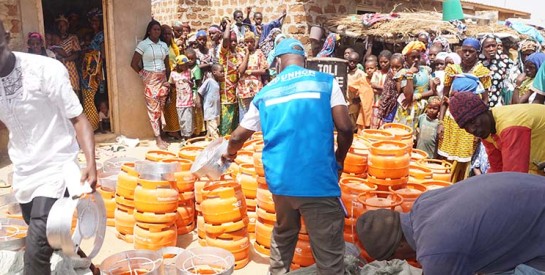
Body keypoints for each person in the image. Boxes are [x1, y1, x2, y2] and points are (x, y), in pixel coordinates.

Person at [223, 38, 353, 274]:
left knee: (284, 234)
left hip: (280, 183)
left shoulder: (264, 93)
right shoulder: (326, 82)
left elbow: (237, 137)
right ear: (303, 61)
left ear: (278, 63)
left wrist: (229, 155)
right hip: (318, 182)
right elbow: (345, 128)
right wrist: (339, 159)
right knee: (329, 256)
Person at [0, 19, 96, 274]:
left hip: (56, 168)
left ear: (7, 38)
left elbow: (79, 119)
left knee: (35, 254)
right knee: (55, 239)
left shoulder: (45, 70)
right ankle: (90, 269)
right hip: (24, 172)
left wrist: (91, 164)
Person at [356, 172, 545, 274]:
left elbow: (439, 257)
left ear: (401, 244)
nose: (403, 260)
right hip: (533, 192)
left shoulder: (436, 249)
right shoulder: (423, 204)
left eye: (394, 256)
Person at [449, 91, 545, 175]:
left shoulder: (510, 126)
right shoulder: (487, 129)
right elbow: (497, 167)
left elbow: (515, 176)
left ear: (484, 111)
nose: (471, 129)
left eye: (473, 122)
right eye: (465, 127)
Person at [438, 38, 491, 182]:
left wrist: (478, 124)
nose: (467, 54)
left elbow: (485, 100)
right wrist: (441, 122)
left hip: (470, 123)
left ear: (477, 53)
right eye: (464, 51)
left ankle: (460, 187)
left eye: (471, 51)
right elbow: (444, 97)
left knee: (465, 158)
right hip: (451, 120)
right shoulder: (452, 70)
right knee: (447, 157)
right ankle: (444, 184)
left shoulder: (482, 72)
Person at [130, 19, 170, 149]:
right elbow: (134, 63)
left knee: (161, 108)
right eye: (154, 29)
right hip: (150, 79)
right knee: (153, 109)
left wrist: (167, 81)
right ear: (149, 31)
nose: (157, 32)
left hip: (163, 78)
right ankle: (158, 138)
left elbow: (167, 64)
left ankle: (162, 134)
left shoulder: (163, 45)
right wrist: (144, 75)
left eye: (159, 30)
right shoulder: (143, 45)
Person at [394, 41, 432, 130]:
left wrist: (418, 95)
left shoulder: (425, 70)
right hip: (408, 111)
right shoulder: (402, 73)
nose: (416, 60)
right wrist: (410, 74)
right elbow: (408, 96)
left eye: (418, 57)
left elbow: (432, 91)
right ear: (406, 58)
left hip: (423, 109)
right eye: (413, 57)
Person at [81, 9, 105, 132]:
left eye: (96, 21)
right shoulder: (92, 35)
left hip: (93, 70)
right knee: (88, 98)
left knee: (89, 97)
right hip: (88, 69)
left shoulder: (101, 35)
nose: (93, 23)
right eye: (92, 21)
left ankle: (92, 126)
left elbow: (103, 54)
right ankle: (91, 125)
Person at [237, 31, 268, 120]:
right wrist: (246, 54)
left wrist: (250, 72)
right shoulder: (241, 53)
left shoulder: (259, 53)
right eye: (247, 42)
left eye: (251, 42)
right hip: (244, 90)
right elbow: (241, 70)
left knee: (256, 114)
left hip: (256, 89)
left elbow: (263, 70)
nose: (249, 44)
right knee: (245, 116)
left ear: (254, 42)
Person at [219, 19, 241, 136]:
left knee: (233, 127)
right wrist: (228, 26)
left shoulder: (238, 53)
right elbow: (226, 39)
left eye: (235, 41)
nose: (233, 43)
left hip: (235, 94)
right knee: (225, 127)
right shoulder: (224, 54)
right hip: (225, 96)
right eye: (231, 41)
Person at [479, 34, 514, 108]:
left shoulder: (505, 60)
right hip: (480, 104)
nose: (491, 49)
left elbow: (511, 80)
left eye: (493, 46)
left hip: (499, 104)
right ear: (482, 48)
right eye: (487, 46)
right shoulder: (477, 61)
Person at [161, 24, 182, 140]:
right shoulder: (161, 47)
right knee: (168, 105)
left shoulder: (174, 47)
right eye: (164, 33)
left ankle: (175, 129)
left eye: (169, 33)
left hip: (176, 78)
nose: (167, 36)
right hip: (165, 78)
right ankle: (171, 130)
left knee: (174, 105)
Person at [54, 15, 81, 99]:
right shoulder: (54, 38)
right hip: (58, 67)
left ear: (67, 25)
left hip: (70, 67)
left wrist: (64, 59)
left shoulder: (73, 38)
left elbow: (76, 54)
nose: (61, 27)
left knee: (73, 90)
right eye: (59, 25)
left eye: (63, 25)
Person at [169, 55, 194, 140]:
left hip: (188, 101)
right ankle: (184, 137)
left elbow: (193, 84)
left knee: (188, 120)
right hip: (179, 101)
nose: (186, 66)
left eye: (187, 64)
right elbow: (171, 85)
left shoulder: (189, 72)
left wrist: (189, 82)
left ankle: (188, 138)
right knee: (182, 120)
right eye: (184, 65)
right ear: (178, 65)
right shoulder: (173, 74)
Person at [377, 53, 404, 127]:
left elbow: (400, 91)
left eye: (397, 67)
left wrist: (397, 78)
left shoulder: (405, 74)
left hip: (402, 106)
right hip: (389, 107)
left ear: (403, 65)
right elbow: (386, 94)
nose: (394, 69)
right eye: (392, 67)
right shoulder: (390, 75)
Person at [198, 64, 223, 139]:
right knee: (213, 128)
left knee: (212, 127)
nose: (223, 73)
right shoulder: (209, 81)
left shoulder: (217, 82)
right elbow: (200, 92)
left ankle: (208, 140)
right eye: (221, 72)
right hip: (210, 110)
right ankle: (217, 142)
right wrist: (198, 102)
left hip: (216, 111)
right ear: (214, 72)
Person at [370, 50, 392, 129]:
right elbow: (373, 85)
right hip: (376, 104)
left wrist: (379, 89)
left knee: (384, 127)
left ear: (390, 61)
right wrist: (385, 88)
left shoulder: (391, 74)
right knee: (374, 126)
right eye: (381, 62)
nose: (383, 64)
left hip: (387, 106)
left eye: (385, 62)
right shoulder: (377, 73)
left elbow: (392, 91)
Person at [186, 48, 204, 136]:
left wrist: (197, 96)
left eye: (192, 58)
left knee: (196, 112)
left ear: (195, 58)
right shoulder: (184, 68)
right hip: (186, 94)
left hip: (194, 93)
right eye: (188, 58)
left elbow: (198, 83)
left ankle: (198, 131)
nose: (189, 60)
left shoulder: (196, 69)